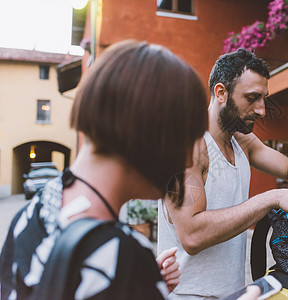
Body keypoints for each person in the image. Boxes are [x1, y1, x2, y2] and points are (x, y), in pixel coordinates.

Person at [0, 40, 208, 299]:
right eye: (188, 139)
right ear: (151, 132)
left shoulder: (29, 216)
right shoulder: (125, 259)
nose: (188, 160)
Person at [158, 48, 288, 299]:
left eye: (263, 98)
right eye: (252, 98)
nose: (262, 110)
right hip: (187, 295)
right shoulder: (188, 145)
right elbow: (192, 235)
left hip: (232, 292)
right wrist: (271, 198)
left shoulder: (241, 141)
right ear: (221, 93)